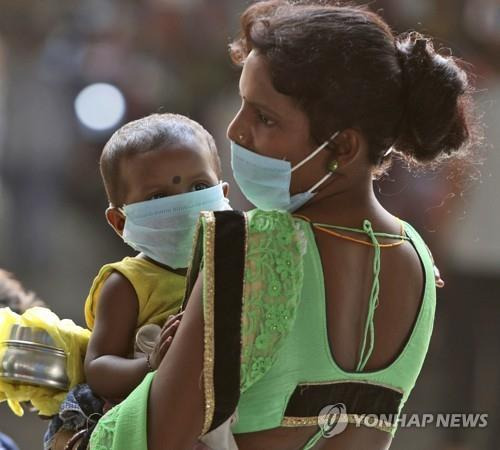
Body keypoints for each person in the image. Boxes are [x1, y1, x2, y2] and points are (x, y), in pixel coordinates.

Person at [89, 1, 475, 449]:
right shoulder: (418, 260)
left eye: (264, 117)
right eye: (242, 106)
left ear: (343, 148)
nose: (235, 131)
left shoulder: (256, 243)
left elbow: (157, 437)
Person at [44, 113, 230, 450]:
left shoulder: (235, 264)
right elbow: (99, 369)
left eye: (199, 188)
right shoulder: (126, 284)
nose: (184, 203)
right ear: (119, 220)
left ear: (223, 191)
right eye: (159, 197)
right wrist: (151, 364)